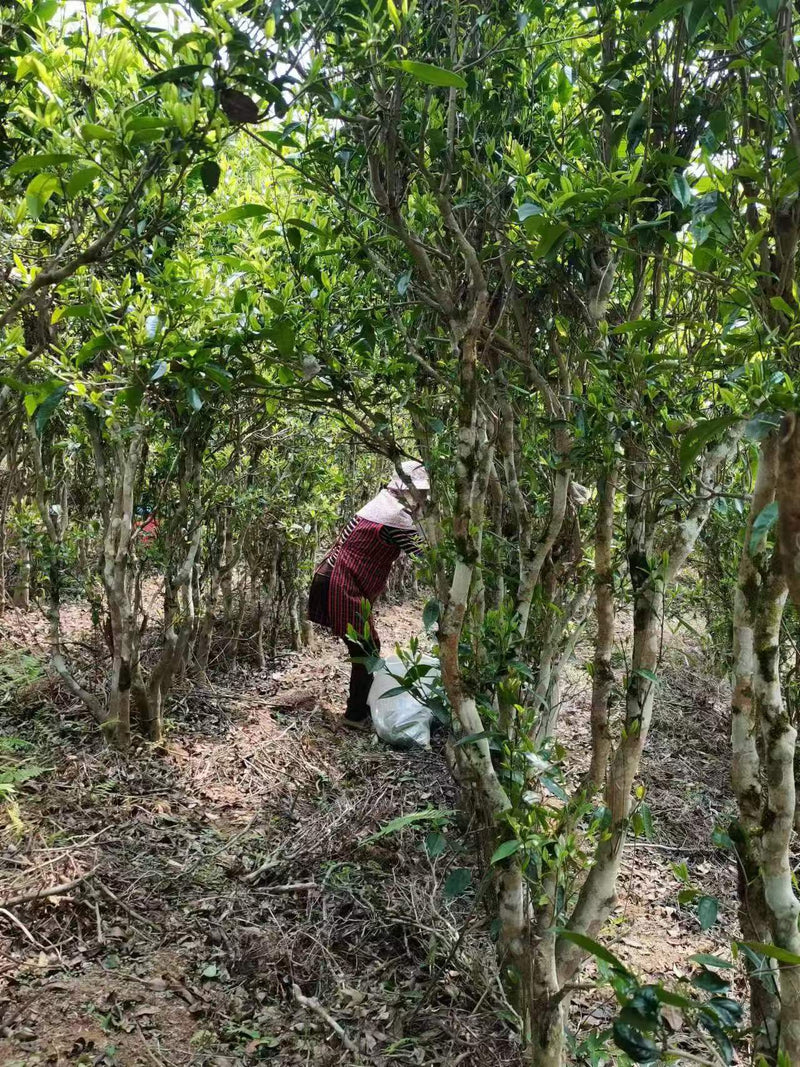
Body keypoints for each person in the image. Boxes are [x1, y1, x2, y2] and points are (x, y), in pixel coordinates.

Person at [308, 460, 429, 729]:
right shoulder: (394, 517)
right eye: (420, 493)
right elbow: (427, 556)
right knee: (367, 649)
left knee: (365, 647)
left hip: (338, 578)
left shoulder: (382, 505)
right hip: (340, 581)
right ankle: (355, 715)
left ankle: (359, 709)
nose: (422, 498)